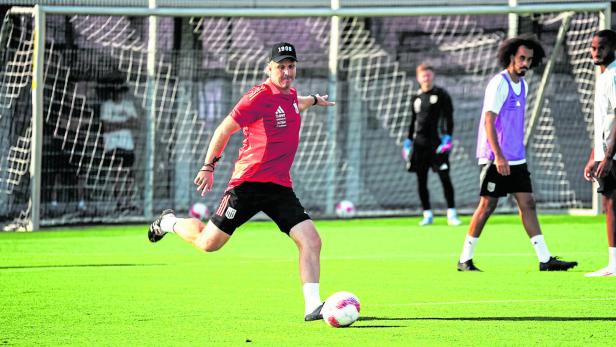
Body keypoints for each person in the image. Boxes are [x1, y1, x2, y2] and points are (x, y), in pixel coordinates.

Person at [147, 42, 335, 320]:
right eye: (280, 67)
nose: (286, 72)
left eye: (290, 66)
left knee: (312, 241)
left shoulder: (292, 96)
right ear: (269, 68)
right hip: (247, 186)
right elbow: (224, 129)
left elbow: (297, 104)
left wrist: (316, 100)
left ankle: (312, 306)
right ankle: (169, 222)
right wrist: (208, 165)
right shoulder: (256, 98)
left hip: (279, 188)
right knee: (208, 244)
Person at [456, 34, 577, 272]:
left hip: (517, 157)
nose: (525, 63)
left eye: (529, 60)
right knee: (487, 205)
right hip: (495, 158)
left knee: (528, 204)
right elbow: (489, 122)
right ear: (511, 57)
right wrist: (499, 156)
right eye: (522, 58)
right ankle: (464, 259)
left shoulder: (523, 84)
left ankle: (545, 260)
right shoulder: (499, 83)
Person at [403, 63, 461, 226]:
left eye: (428, 75)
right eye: (423, 75)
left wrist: (448, 137)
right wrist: (408, 142)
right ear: (418, 78)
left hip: (437, 144)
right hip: (419, 145)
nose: (426, 78)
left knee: (444, 177)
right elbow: (413, 121)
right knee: (421, 180)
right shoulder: (416, 97)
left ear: (433, 76)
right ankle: (427, 214)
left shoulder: (441, 95)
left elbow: (449, 118)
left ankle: (451, 214)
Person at [583, 29, 616, 277]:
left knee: (611, 205)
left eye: (600, 48)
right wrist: (593, 156)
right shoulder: (604, 75)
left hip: (612, 155)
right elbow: (604, 122)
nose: (596, 52)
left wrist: (607, 157)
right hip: (605, 154)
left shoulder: (614, 76)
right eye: (593, 48)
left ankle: (614, 265)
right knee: (610, 205)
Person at [100, 80, 139, 210]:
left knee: (129, 174)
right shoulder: (107, 106)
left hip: (127, 145)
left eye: (121, 92)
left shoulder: (128, 105)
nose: (119, 95)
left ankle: (129, 202)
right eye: (116, 92)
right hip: (113, 145)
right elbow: (106, 127)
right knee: (117, 173)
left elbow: (135, 123)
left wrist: (115, 124)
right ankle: (120, 202)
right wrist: (124, 124)